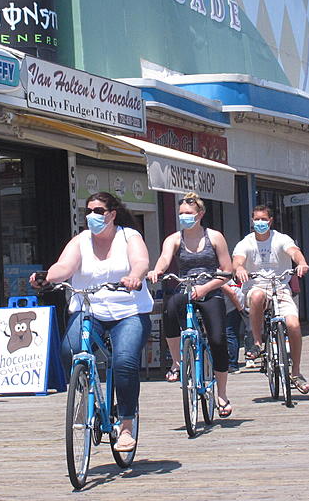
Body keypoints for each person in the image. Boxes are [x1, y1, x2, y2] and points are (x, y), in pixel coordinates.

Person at [30, 191, 151, 452]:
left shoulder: (129, 236)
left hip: (128, 310)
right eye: (89, 211)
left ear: (112, 214)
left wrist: (134, 276)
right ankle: (85, 397)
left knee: (124, 361)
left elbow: (141, 261)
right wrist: (47, 277)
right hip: (89, 309)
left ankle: (127, 424)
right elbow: (65, 266)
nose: (92, 216)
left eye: (98, 211)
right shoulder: (81, 240)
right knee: (69, 351)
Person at [147, 192, 234, 418]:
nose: (184, 217)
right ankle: (176, 361)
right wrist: (158, 270)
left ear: (200, 214)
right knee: (169, 308)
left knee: (217, 339)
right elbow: (165, 258)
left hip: (210, 287)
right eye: (181, 214)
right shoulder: (175, 238)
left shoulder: (214, 237)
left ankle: (222, 393)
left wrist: (206, 288)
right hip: (184, 286)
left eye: (189, 214)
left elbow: (227, 270)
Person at [232, 204, 309, 394]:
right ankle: (258, 342)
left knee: (293, 325)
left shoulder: (281, 239)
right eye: (256, 219)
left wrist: (301, 263)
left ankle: (297, 372)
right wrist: (240, 268)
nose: (260, 223)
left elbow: (293, 251)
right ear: (252, 221)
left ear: (270, 221)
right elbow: (238, 259)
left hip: (280, 287)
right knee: (258, 296)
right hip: (256, 286)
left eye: (263, 219)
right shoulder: (246, 242)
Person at [222, 279, 245, 373]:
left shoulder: (218, 275)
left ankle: (233, 364)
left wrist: (240, 309)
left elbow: (232, 294)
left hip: (233, 307)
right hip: (235, 306)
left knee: (230, 334)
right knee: (232, 334)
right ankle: (231, 363)